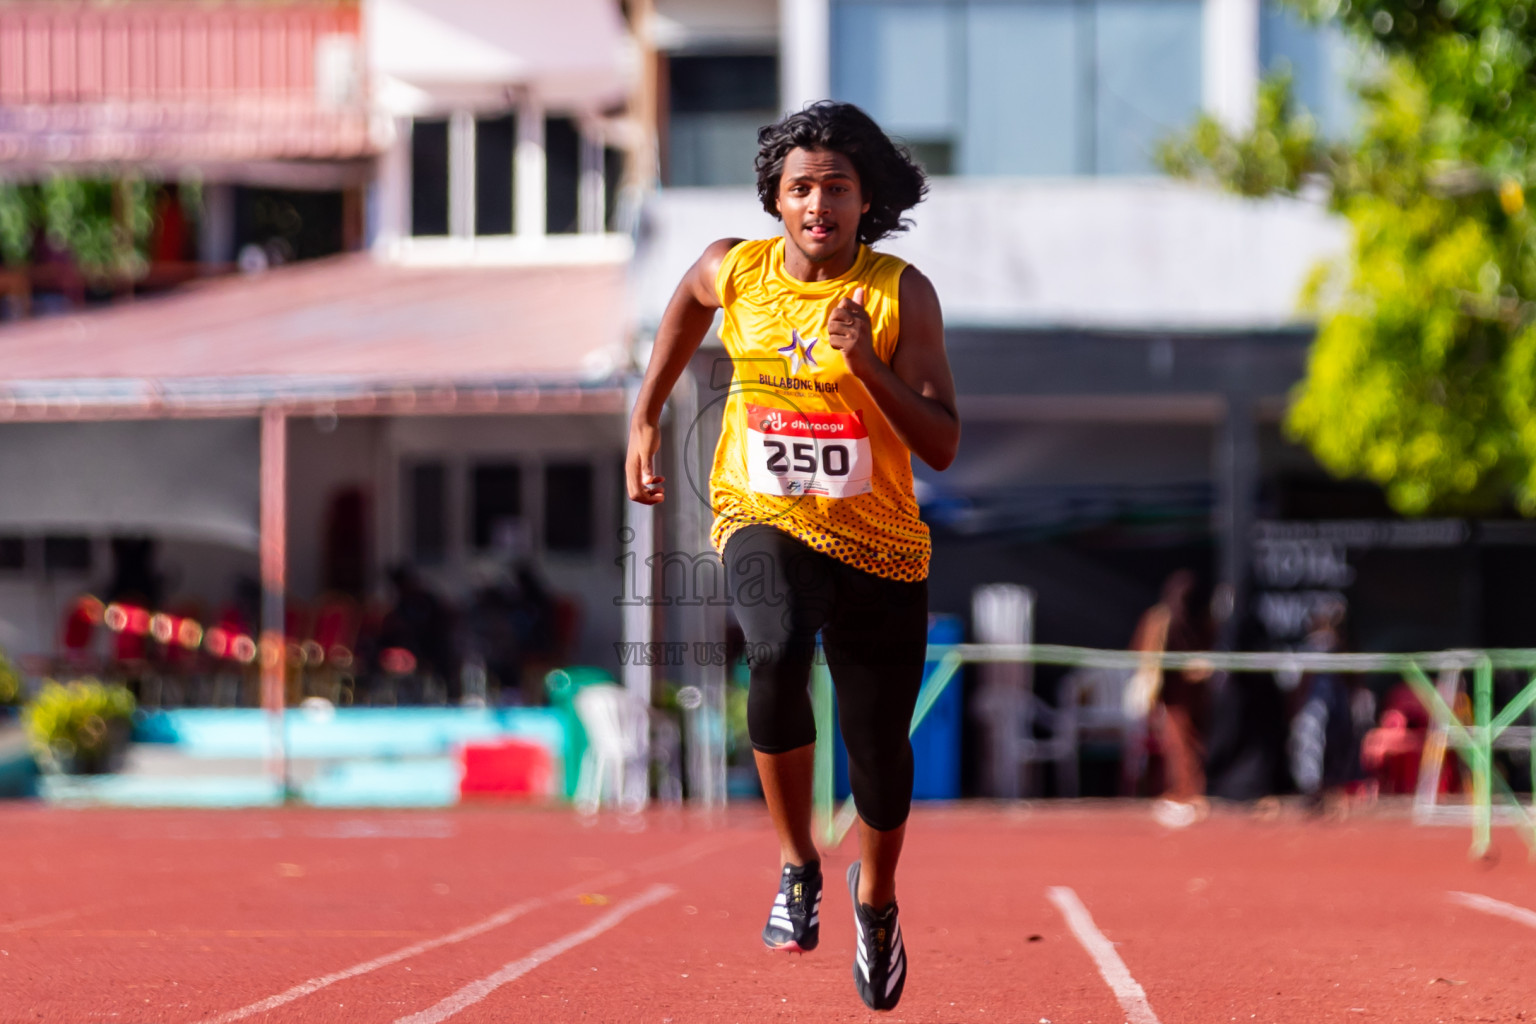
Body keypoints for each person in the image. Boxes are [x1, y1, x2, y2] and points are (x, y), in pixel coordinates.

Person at [625, 101, 958, 1012]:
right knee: (771, 652)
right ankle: (796, 863)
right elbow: (685, 308)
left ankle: (877, 901)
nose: (818, 203)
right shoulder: (734, 269)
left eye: (837, 188)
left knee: (878, 747)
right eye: (800, 187)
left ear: (864, 203)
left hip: (879, 543)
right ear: (776, 200)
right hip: (760, 512)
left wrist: (866, 370)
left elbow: (941, 444)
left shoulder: (900, 294)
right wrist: (648, 413)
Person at [1129, 570, 1216, 828]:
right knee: (1172, 743)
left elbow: (1208, 648)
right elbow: (1143, 651)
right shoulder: (1159, 619)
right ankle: (1177, 791)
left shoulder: (1202, 618)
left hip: (1191, 692)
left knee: (1187, 743)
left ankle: (1189, 793)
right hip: (1165, 690)